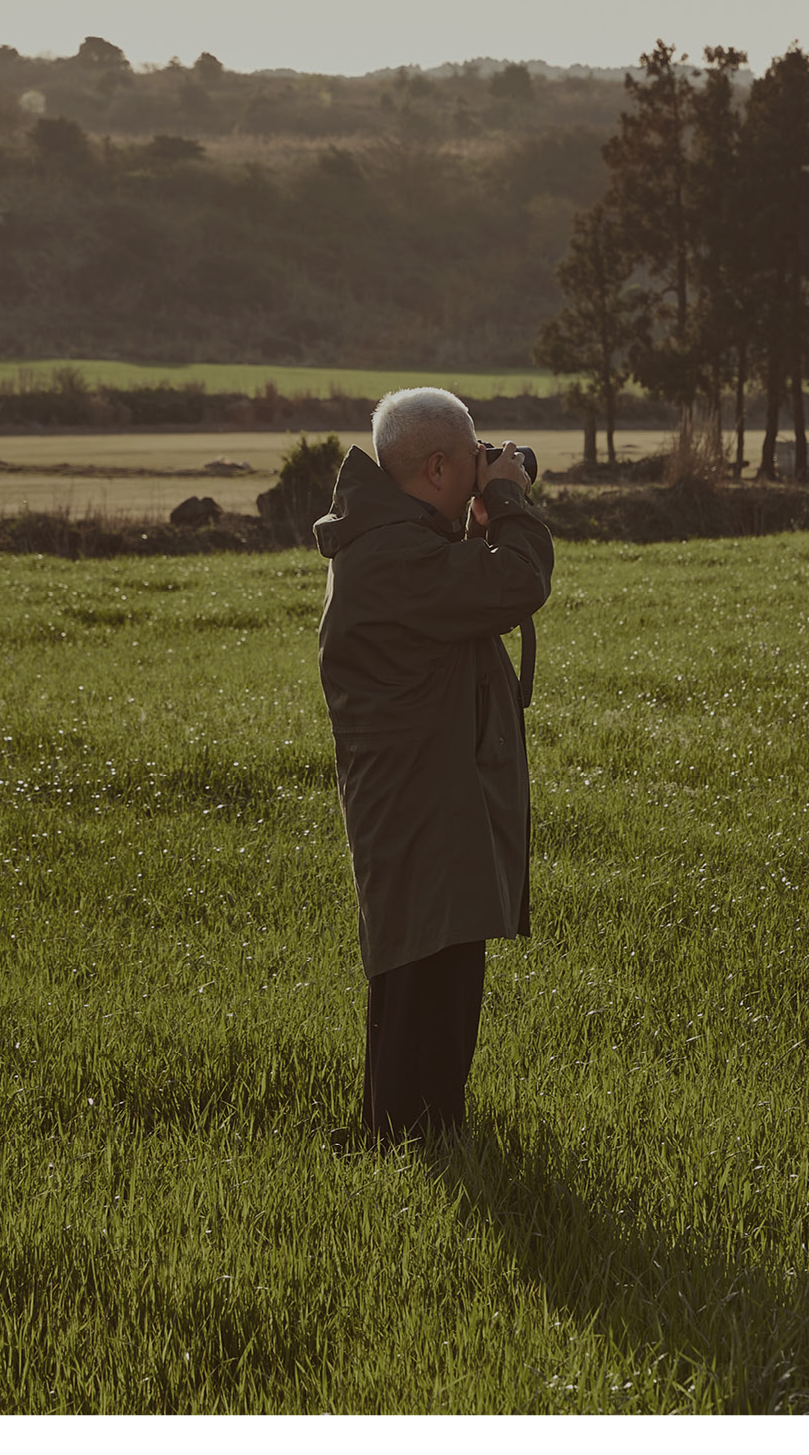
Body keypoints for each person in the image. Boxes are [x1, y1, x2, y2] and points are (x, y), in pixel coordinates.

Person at [314, 387, 552, 1145]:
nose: (487, 468)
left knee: (433, 974)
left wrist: (483, 517)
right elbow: (517, 583)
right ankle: (412, 1144)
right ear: (440, 463)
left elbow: (474, 596)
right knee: (424, 977)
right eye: (476, 457)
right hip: (421, 804)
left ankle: (415, 1137)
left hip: (426, 796)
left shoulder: (397, 542)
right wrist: (511, 502)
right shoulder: (392, 556)